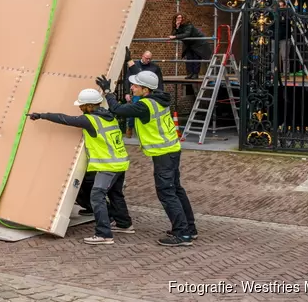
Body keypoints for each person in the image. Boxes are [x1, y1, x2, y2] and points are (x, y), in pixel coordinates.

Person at [96, 69, 197, 247]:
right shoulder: (159, 99)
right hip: (172, 150)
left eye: (135, 85)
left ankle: (182, 234)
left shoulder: (145, 106)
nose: (132, 88)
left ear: (145, 89)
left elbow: (117, 109)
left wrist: (108, 92)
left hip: (163, 154)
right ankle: (189, 228)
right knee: (176, 190)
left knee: (166, 192)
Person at [28, 88, 133, 245]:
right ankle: (124, 224)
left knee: (97, 196)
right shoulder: (109, 116)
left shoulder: (90, 120)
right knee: (115, 194)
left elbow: (64, 119)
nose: (80, 108)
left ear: (89, 106)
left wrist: (42, 115)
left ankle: (104, 234)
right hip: (120, 162)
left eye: (82, 105)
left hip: (108, 166)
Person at [124, 50, 164, 139]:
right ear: (142, 56)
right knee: (132, 110)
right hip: (138, 92)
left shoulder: (155, 67)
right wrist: (127, 92)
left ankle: (147, 129)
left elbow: (160, 81)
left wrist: (160, 92)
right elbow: (128, 79)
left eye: (150, 59)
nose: (148, 60)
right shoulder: (136, 66)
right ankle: (130, 127)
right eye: (146, 58)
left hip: (149, 93)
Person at [169, 13, 211, 80]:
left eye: (180, 17)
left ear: (183, 18)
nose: (179, 19)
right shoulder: (177, 26)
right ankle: (190, 73)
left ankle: (195, 74)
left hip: (198, 43)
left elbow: (186, 34)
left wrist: (175, 36)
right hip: (189, 44)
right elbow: (172, 34)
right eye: (177, 18)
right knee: (189, 58)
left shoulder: (189, 25)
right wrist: (177, 27)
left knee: (196, 58)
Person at [277, 0, 291, 76]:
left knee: (285, 56)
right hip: (275, 37)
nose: (281, 7)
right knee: (274, 56)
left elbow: (287, 21)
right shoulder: (275, 12)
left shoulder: (287, 12)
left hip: (285, 37)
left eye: (282, 6)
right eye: (279, 6)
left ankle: (286, 73)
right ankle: (274, 72)